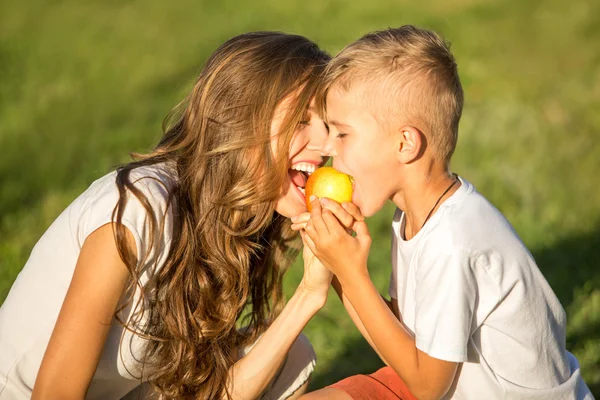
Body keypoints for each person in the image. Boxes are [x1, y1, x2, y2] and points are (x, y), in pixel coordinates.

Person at [0, 31, 333, 400]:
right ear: (242, 118)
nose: (326, 144)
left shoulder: (240, 220)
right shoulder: (136, 211)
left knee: (290, 354)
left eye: (330, 125)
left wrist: (309, 295)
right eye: (303, 120)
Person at [292, 25, 593, 399]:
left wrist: (351, 274)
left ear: (405, 143)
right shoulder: (414, 216)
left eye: (342, 134)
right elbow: (403, 342)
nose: (327, 149)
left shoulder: (454, 242)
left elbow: (427, 385)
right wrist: (337, 265)